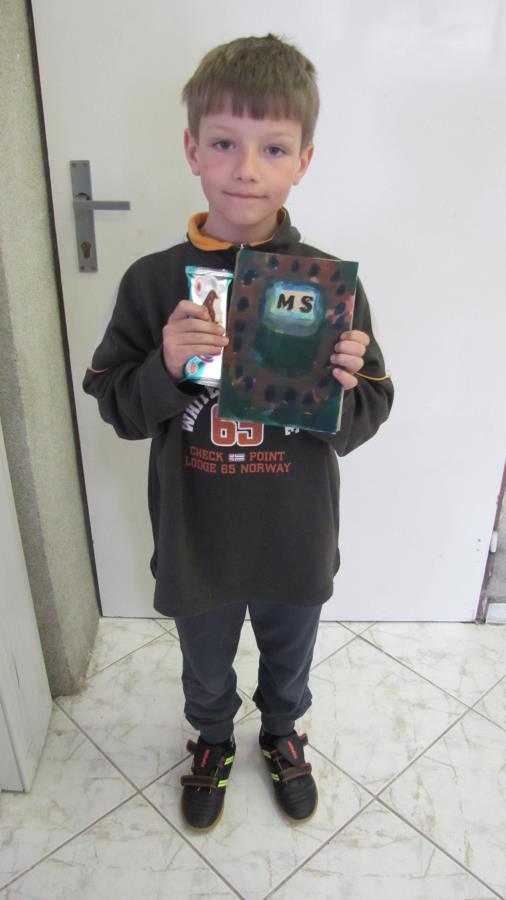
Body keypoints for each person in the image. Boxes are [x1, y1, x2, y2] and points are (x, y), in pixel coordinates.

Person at [83, 34, 394, 833]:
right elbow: (117, 408)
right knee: (205, 659)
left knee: (290, 654)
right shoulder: (153, 282)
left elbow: (368, 414)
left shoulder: (328, 287)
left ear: (304, 161)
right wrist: (165, 365)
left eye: (273, 148)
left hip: (294, 530)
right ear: (192, 149)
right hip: (199, 535)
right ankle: (214, 739)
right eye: (224, 143)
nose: (246, 168)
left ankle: (282, 733)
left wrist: (346, 384)